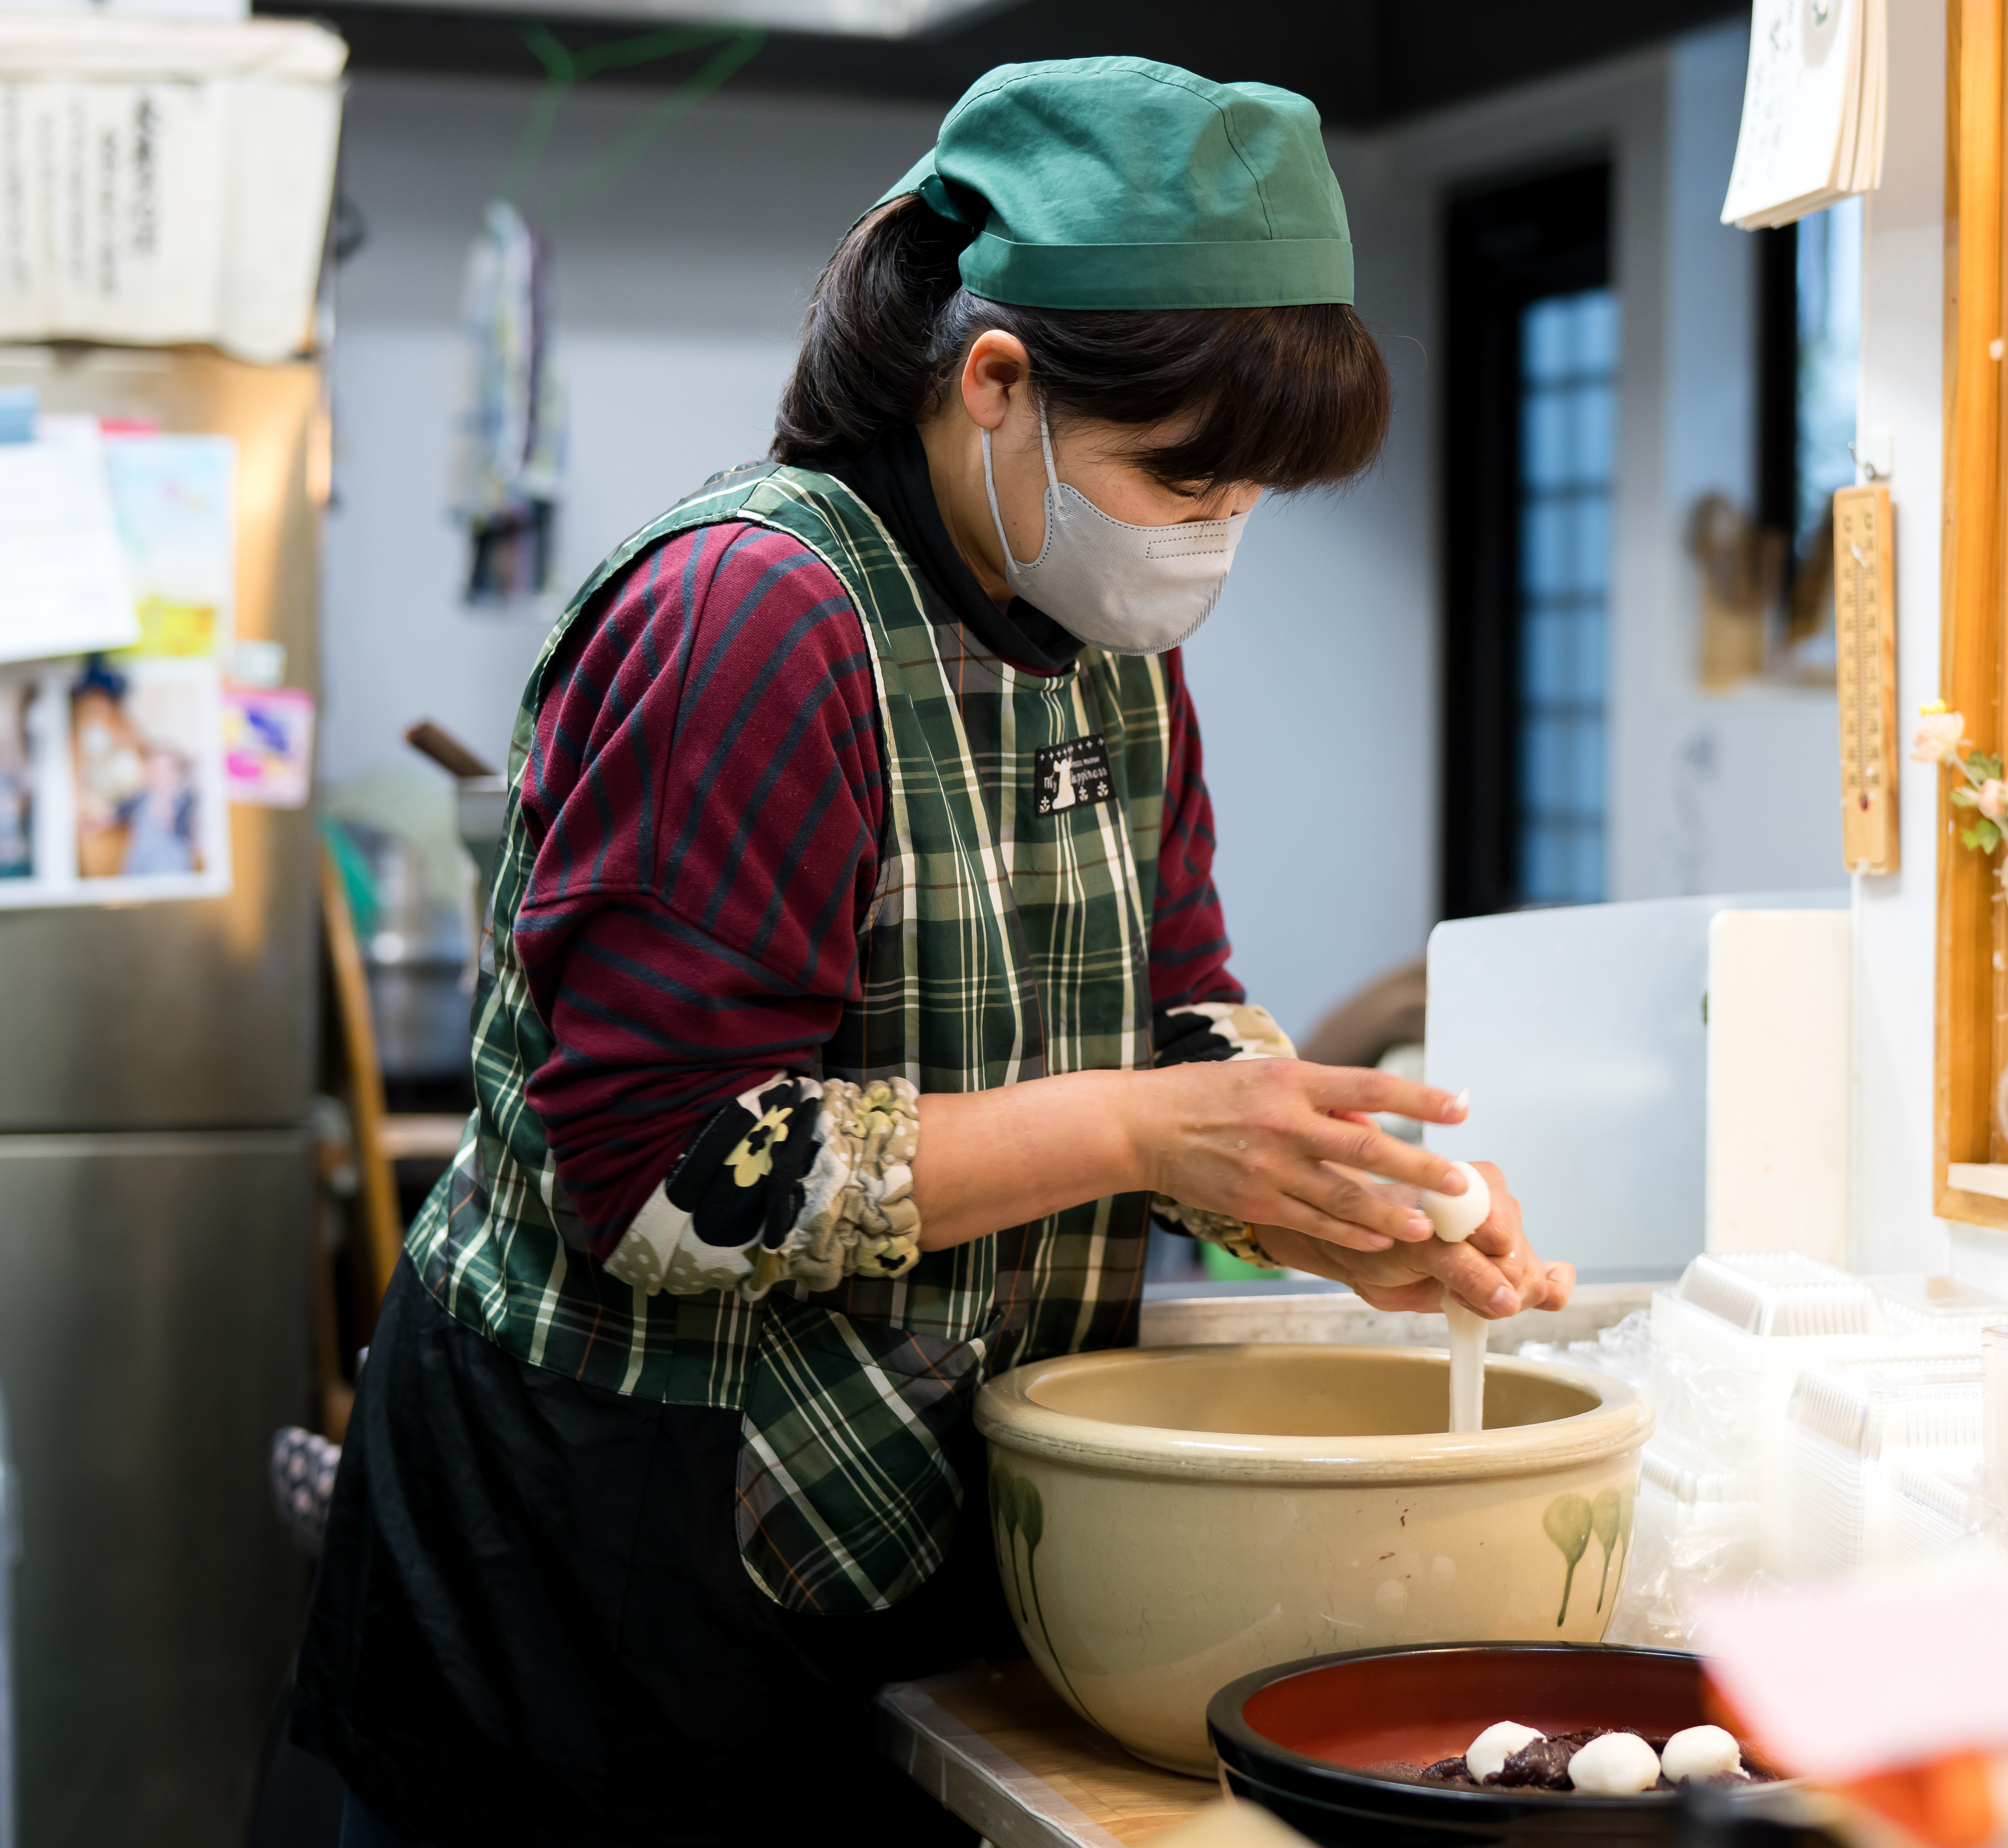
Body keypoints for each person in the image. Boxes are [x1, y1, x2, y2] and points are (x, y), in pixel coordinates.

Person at [292, 56, 1576, 1848]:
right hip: (613, 1546)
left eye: (1253, 497)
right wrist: (1137, 1138)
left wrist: (1330, 1183)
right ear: (995, 385)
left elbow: (1176, 999)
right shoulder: (753, 616)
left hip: (882, 1501)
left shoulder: (1101, 636)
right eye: (1186, 478)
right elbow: (661, 1174)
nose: (1215, 539)